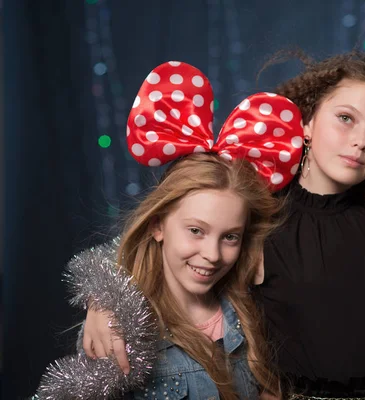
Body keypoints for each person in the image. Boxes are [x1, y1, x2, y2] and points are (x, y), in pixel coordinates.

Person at [75, 52, 365, 399]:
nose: (359, 142)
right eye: (346, 118)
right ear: (307, 121)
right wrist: (105, 301)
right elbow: (162, 238)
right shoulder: (260, 217)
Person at [35, 61, 306, 399]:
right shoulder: (119, 328)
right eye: (195, 230)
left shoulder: (246, 312)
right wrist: (104, 296)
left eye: (230, 237)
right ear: (157, 225)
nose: (211, 254)